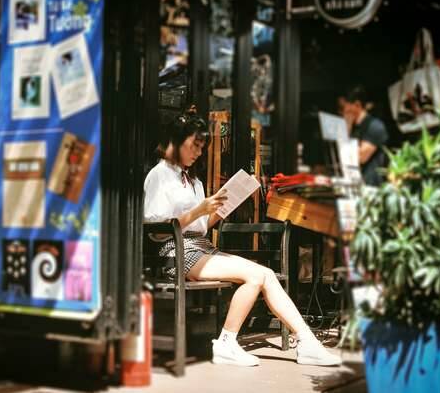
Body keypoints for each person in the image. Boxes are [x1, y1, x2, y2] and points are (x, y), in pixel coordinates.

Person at [143, 109, 342, 367]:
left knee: (266, 274)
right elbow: (157, 229)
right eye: (195, 146)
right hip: (176, 252)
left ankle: (307, 342)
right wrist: (198, 210)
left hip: (201, 247)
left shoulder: (193, 180)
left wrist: (220, 209)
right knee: (256, 275)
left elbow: (202, 226)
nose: (198, 153)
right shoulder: (158, 175)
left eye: (202, 147)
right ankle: (227, 342)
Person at [338, 86, 389, 186]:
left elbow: (360, 158)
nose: (341, 112)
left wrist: (347, 126)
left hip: (371, 185)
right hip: (355, 182)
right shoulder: (353, 126)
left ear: (357, 105)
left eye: (343, 107)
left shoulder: (375, 126)